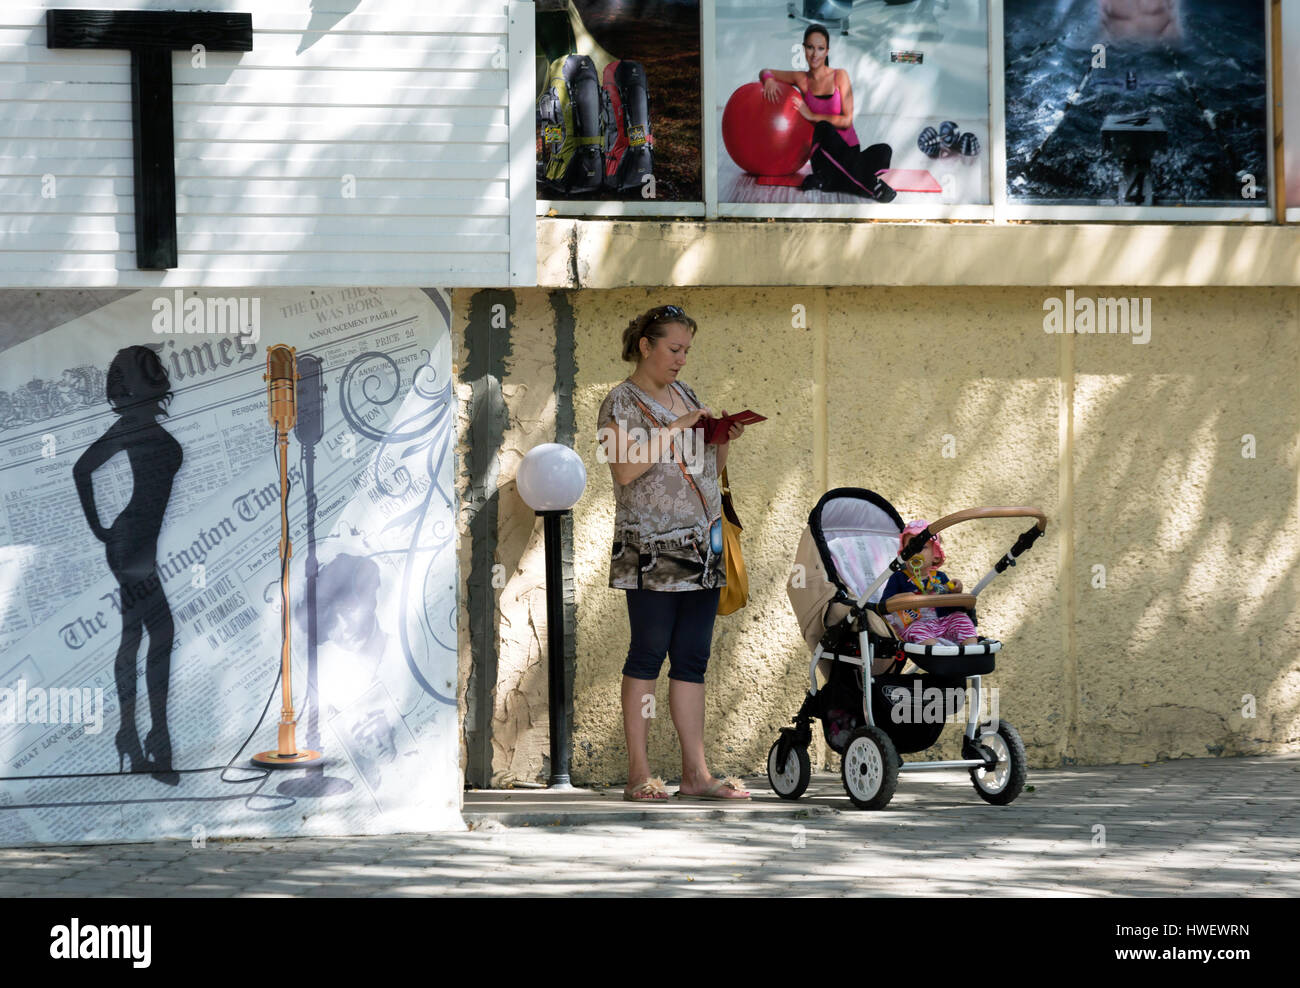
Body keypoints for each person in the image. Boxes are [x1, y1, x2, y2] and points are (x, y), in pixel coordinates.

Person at [596, 304, 751, 802]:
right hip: (650, 548)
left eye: (687, 350)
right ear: (646, 345)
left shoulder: (685, 393)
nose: (682, 360)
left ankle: (695, 775)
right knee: (647, 654)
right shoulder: (619, 402)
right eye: (674, 349)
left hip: (701, 544)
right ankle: (639, 774)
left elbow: (704, 467)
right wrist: (677, 425)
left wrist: (721, 439)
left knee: (692, 658)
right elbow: (622, 470)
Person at [73, 346, 183, 785]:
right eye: (145, 372)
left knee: (138, 633)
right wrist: (100, 528)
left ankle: (134, 737)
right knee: (158, 631)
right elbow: (82, 470)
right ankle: (153, 739)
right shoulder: (128, 426)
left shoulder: (143, 424)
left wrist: (104, 529)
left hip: (139, 543)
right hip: (129, 543)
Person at [758, 24, 896, 202]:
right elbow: (765, 71)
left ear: (827, 51)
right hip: (824, 157)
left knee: (884, 151)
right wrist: (768, 81)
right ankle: (870, 187)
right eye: (810, 47)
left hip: (850, 152)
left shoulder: (840, 75)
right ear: (804, 49)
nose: (815, 54)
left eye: (820, 48)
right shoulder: (801, 79)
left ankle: (832, 182)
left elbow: (846, 121)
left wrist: (811, 115)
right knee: (823, 128)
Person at [882, 520, 978, 646]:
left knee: (961, 618)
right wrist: (901, 599)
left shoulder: (940, 577)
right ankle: (936, 649)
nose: (915, 552)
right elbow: (885, 606)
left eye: (922, 547)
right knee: (916, 629)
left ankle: (972, 648)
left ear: (936, 556)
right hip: (914, 624)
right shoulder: (898, 577)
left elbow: (951, 605)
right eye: (910, 548)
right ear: (902, 554)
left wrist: (955, 590)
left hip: (942, 622)